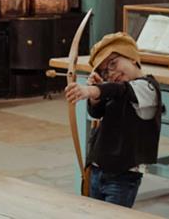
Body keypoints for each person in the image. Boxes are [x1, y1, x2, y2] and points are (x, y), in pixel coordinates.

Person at [64, 32, 162, 208]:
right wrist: (96, 96)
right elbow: (97, 112)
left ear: (132, 57)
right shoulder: (114, 88)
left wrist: (92, 90)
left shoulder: (147, 88)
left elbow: (121, 90)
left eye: (113, 63)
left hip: (121, 178)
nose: (111, 73)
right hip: (97, 170)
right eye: (104, 71)